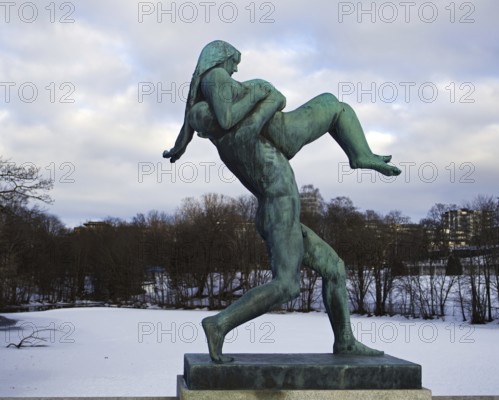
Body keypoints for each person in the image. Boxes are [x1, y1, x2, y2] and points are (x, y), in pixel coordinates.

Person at [164, 40, 399, 363]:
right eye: (233, 66)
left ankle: (344, 341)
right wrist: (266, 94)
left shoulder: (237, 131)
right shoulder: (234, 137)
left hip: (280, 208)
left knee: (334, 269)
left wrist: (263, 95)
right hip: (278, 207)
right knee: (287, 285)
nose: (236, 73)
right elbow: (255, 116)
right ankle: (219, 324)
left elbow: (251, 118)